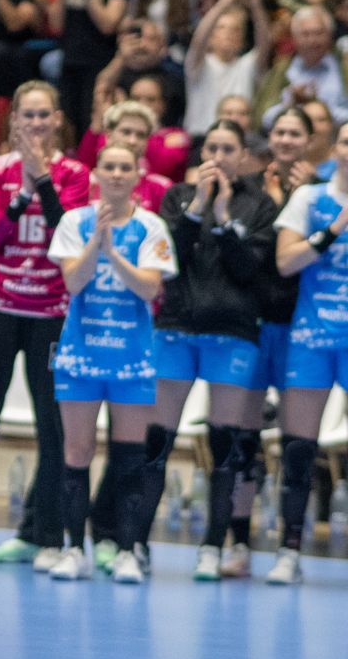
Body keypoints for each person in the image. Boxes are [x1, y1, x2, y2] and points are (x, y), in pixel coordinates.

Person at [0, 80, 90, 572]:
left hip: (50, 315)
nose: (35, 123)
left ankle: (47, 536)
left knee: (53, 426)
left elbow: (70, 234)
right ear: (14, 122)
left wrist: (44, 182)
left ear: (57, 120)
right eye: (26, 115)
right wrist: (23, 191)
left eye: (43, 115)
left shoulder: (76, 174)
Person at [146, 119, 278, 580]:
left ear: (242, 157)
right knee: (157, 440)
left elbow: (248, 270)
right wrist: (199, 207)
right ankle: (135, 543)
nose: (218, 157)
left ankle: (211, 547)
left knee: (225, 444)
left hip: (232, 334)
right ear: (201, 154)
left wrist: (222, 217)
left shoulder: (259, 205)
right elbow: (168, 258)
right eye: (212, 148)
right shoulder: (178, 198)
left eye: (228, 149)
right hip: (177, 329)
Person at [46, 141, 176, 583]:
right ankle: (72, 549)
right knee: (77, 451)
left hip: (131, 357)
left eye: (125, 167)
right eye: (110, 167)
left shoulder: (152, 226)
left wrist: (115, 253)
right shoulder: (74, 222)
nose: (117, 174)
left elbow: (150, 289)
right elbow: (73, 282)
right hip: (81, 354)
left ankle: (125, 551)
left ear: (138, 174)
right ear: (96, 173)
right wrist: (95, 244)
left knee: (129, 455)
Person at [219, 106, 317, 578]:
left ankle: (289, 550)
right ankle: (239, 543)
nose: (286, 140)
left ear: (309, 141)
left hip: (302, 328)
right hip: (254, 326)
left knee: (297, 445)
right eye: (280, 132)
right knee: (244, 441)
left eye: (295, 133)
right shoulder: (248, 190)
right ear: (269, 137)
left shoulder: (322, 194)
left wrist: (304, 193)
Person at [271, 119, 348, 584]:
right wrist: (334, 229)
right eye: (347, 141)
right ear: (334, 148)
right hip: (313, 335)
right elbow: (285, 262)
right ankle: (289, 550)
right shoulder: (309, 198)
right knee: (298, 447)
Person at [48, 0, 129, 136]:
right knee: (67, 125)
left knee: (91, 124)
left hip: (99, 63)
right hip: (70, 60)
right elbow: (55, 25)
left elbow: (108, 25)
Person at [183, 0, 270, 141]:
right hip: (201, 138)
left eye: (235, 30)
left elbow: (264, 44)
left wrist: (256, 4)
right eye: (221, 28)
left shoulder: (247, 65)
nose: (228, 34)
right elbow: (199, 40)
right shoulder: (200, 63)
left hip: (241, 140)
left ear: (242, 39)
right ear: (211, 37)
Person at [253, 6, 348, 130]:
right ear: (294, 38)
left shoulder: (343, 65)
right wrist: (290, 104)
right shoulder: (282, 69)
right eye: (305, 34)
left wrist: (319, 112)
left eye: (318, 33)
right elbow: (262, 119)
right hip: (293, 136)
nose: (312, 40)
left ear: (330, 35)